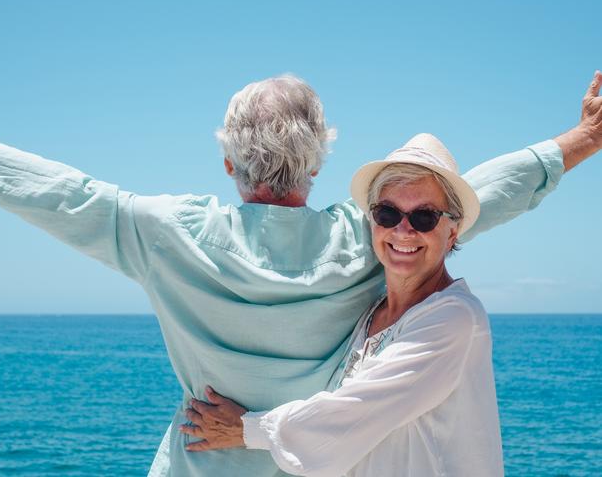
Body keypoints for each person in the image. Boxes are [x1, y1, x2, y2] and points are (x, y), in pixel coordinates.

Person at [0, 72, 601, 477]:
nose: (404, 227)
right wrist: (580, 141)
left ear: (230, 164)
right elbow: (482, 193)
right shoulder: (364, 241)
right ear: (317, 164)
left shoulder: (165, 233)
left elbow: (66, 195)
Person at [180, 133, 503, 476]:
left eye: (424, 217)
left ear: (452, 232)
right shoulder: (373, 313)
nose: (404, 230)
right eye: (388, 214)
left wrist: (246, 429)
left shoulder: (455, 318)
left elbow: (358, 410)